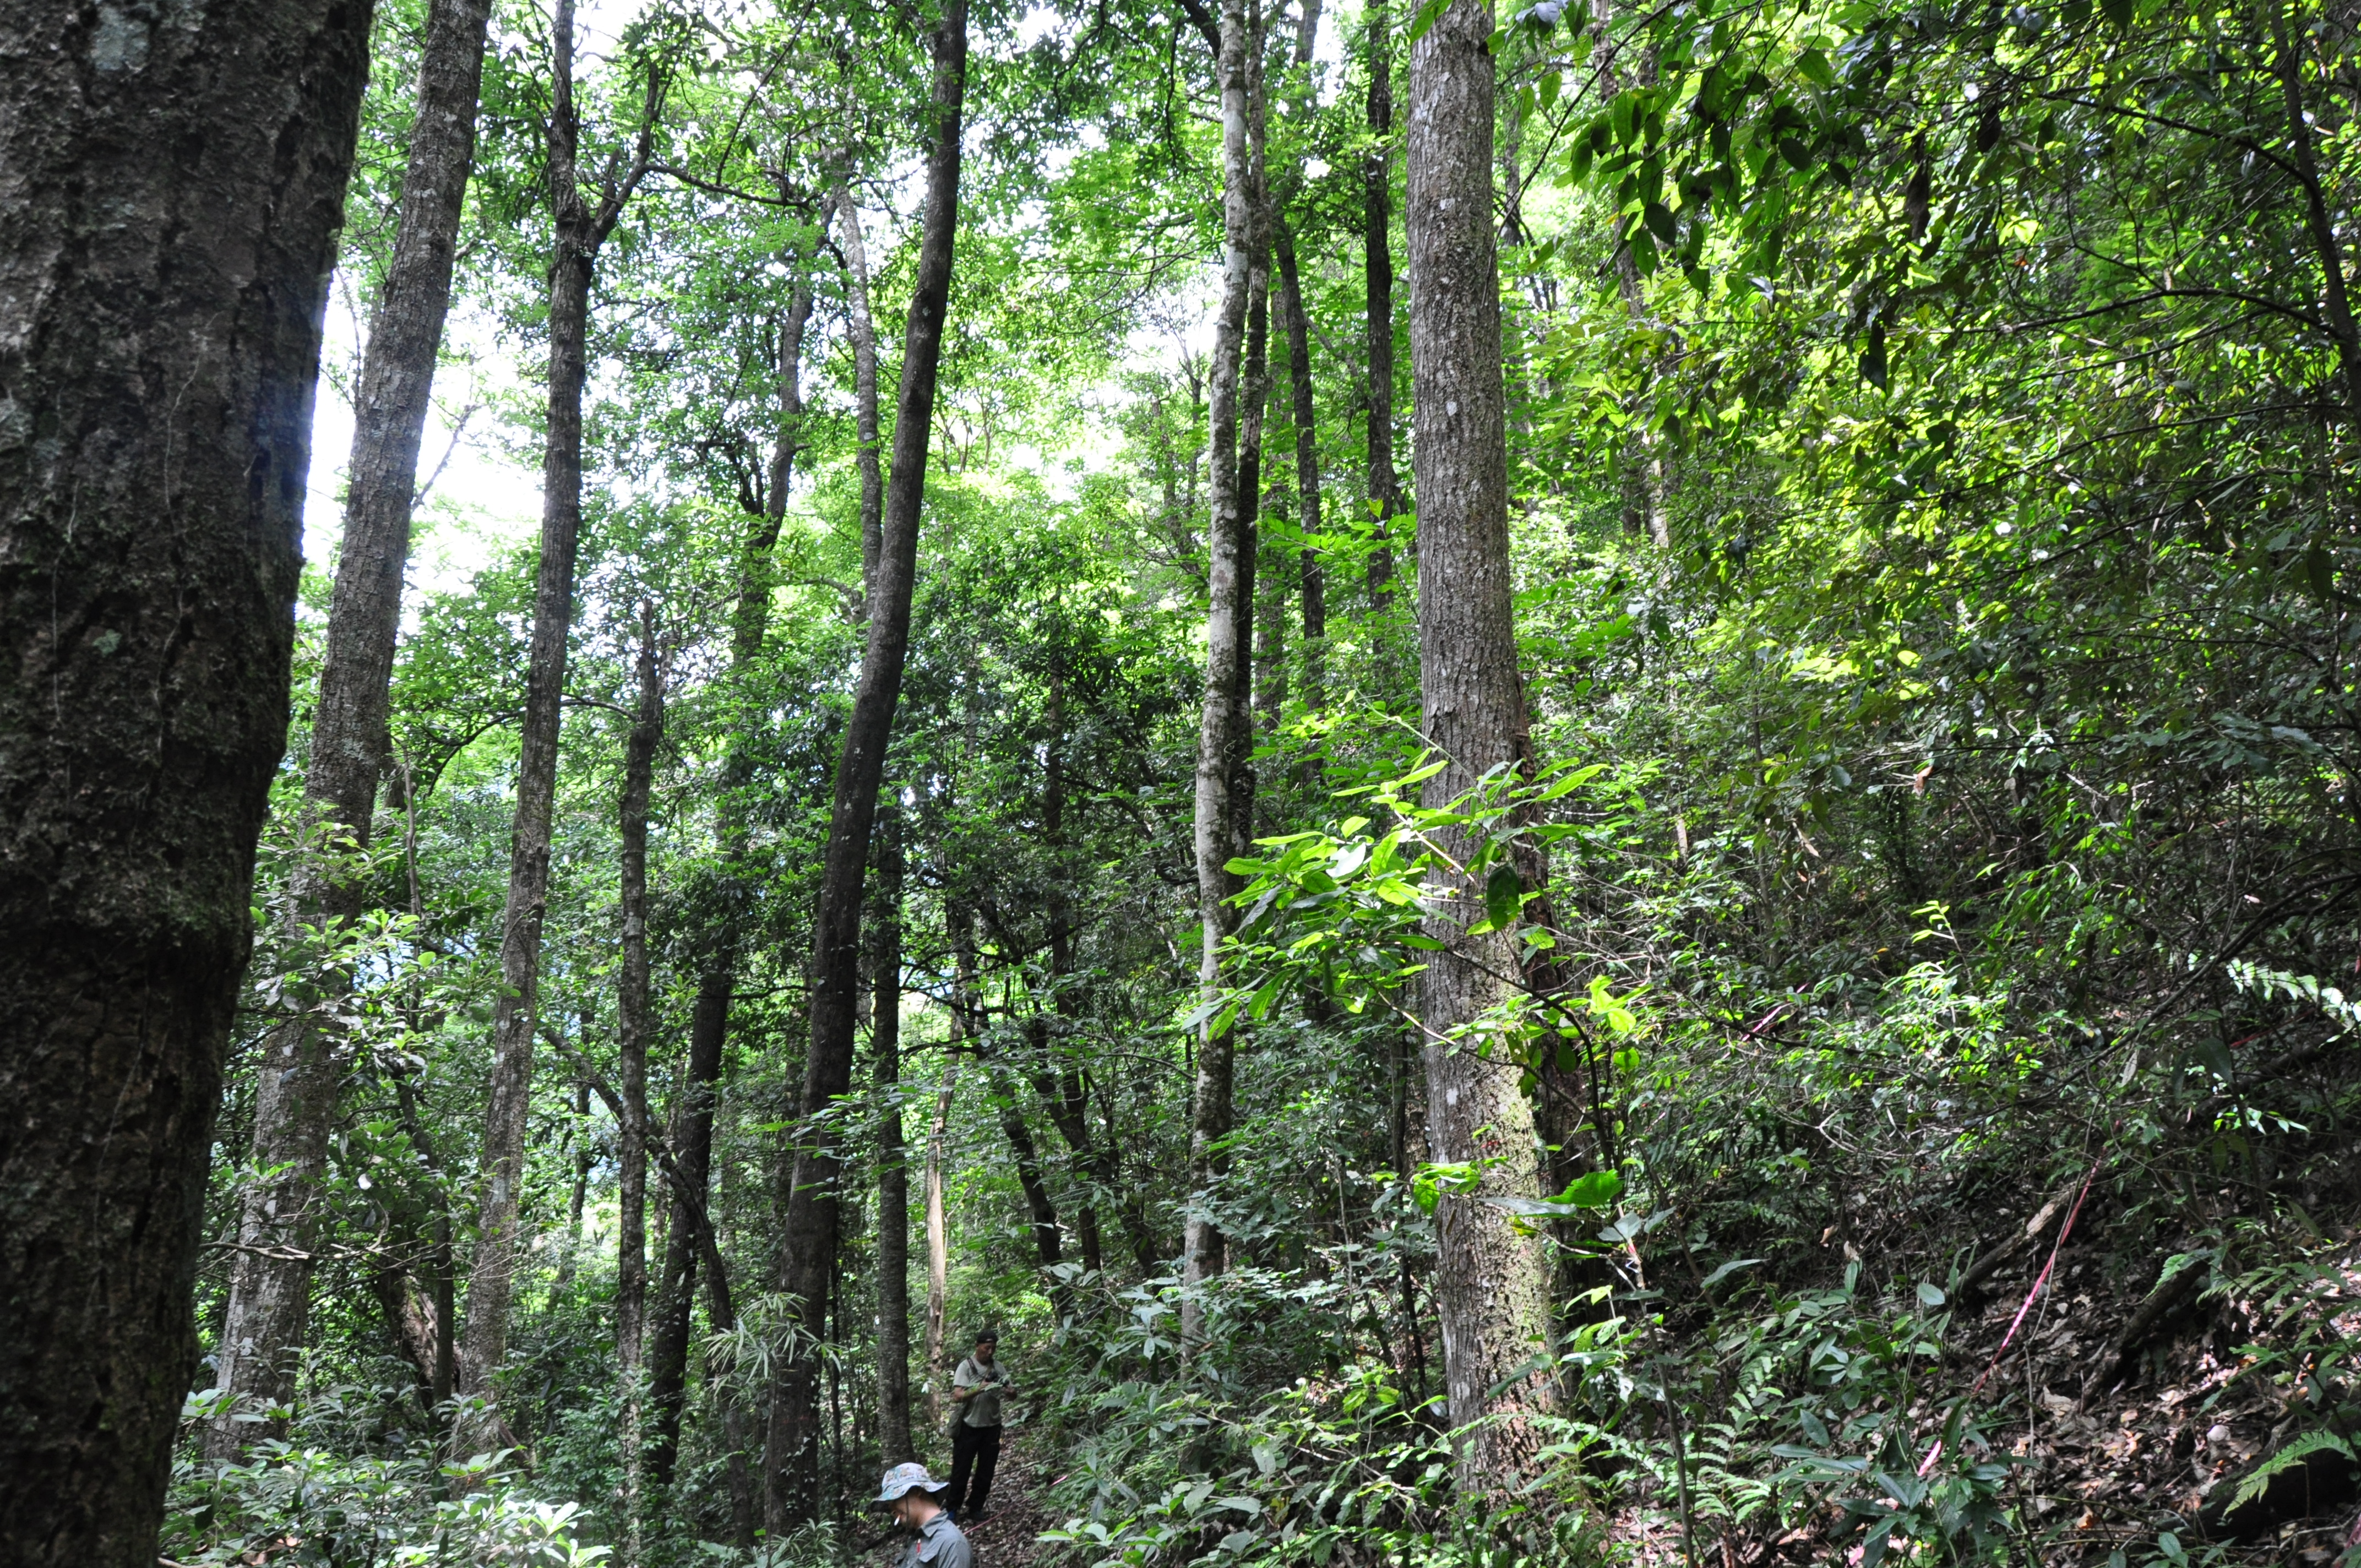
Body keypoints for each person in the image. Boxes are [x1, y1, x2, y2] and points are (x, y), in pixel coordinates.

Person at [946, 1328, 1011, 1523]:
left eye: (993, 1348)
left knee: (986, 1470)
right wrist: (978, 1389)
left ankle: (976, 1507)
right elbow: (958, 1396)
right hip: (969, 1426)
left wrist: (1009, 1391)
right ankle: (952, 1508)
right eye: (986, 1348)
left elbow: (1011, 1392)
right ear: (978, 1346)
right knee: (961, 1470)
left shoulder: (999, 1367)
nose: (990, 1352)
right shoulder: (965, 1367)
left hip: (992, 1426)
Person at [877, 1461, 972, 1568]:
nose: (892, 1509)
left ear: (917, 1491)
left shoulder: (951, 1543)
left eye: (895, 1499)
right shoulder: (917, 1538)